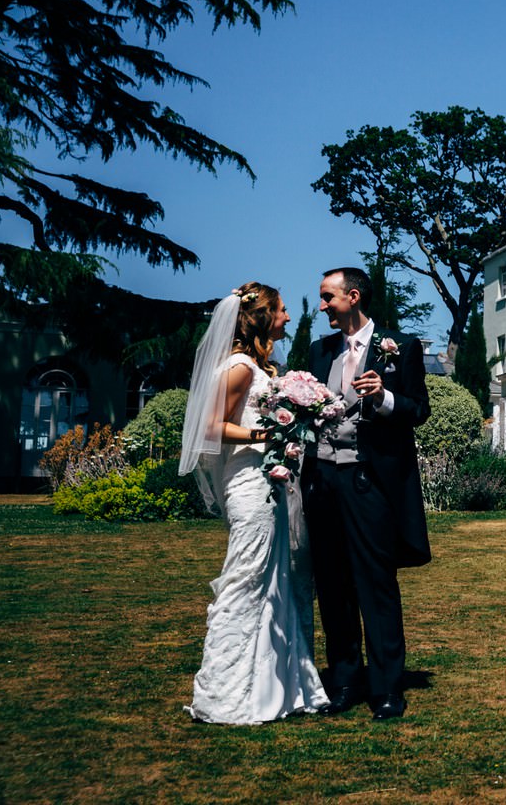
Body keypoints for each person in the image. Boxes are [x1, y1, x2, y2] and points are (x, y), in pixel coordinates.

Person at [180, 283, 329, 724]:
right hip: (249, 484)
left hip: (270, 483)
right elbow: (211, 427)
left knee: (275, 579)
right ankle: (225, 691)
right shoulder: (241, 367)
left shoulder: (264, 366)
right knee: (247, 577)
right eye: (281, 310)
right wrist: (266, 435)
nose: (287, 317)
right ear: (262, 316)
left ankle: (276, 688)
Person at [305, 267, 431, 721]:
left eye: (327, 298)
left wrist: (382, 397)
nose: (321, 307)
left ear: (353, 297)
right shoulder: (320, 351)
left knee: (376, 585)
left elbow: (419, 410)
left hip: (369, 483)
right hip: (322, 482)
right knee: (333, 585)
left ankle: (386, 689)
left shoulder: (401, 346)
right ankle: (343, 681)